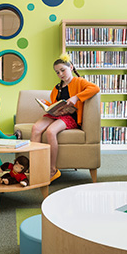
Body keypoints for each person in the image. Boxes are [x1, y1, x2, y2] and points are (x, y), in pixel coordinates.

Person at [31, 54, 100, 182]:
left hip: (70, 117)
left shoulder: (79, 82)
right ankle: (36, 166)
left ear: (71, 67)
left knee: (51, 131)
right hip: (56, 114)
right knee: (36, 128)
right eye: (57, 72)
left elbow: (95, 88)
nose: (60, 74)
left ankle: (52, 170)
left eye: (63, 70)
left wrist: (76, 97)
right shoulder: (57, 87)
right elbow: (54, 104)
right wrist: (46, 104)